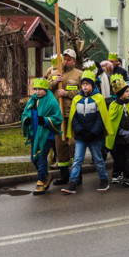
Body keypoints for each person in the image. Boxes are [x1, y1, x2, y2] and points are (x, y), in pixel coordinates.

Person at [62, 69, 111, 194]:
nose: (84, 86)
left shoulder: (98, 98)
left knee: (98, 159)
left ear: (92, 85)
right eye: (83, 84)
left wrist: (93, 132)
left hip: (94, 136)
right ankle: (72, 183)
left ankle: (103, 179)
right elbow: (74, 118)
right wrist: (81, 131)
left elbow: (101, 118)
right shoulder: (76, 99)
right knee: (77, 159)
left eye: (87, 84)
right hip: (81, 136)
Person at [45, 48, 83, 185]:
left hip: (73, 114)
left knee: (72, 143)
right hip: (58, 115)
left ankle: (77, 175)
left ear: (74, 61)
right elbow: (46, 89)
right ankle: (64, 175)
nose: (65, 62)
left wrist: (66, 93)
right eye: (64, 59)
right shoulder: (54, 73)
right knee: (60, 145)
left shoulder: (79, 74)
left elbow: (83, 91)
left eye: (68, 59)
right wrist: (56, 81)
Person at [22, 77, 63, 195]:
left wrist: (45, 120)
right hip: (35, 134)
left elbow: (57, 118)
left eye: (40, 89)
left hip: (46, 136)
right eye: (35, 89)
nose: (37, 91)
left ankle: (40, 182)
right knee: (34, 159)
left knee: (41, 158)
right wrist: (27, 120)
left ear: (45, 89)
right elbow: (25, 113)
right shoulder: (32, 101)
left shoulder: (51, 101)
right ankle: (46, 176)